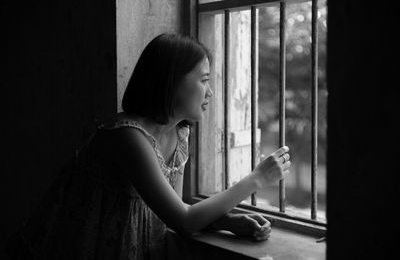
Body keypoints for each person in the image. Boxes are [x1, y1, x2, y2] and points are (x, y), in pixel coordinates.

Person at [5, 33, 291, 260]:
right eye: (204, 80)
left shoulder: (179, 136)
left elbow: (173, 210)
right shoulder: (128, 136)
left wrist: (225, 222)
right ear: (171, 82)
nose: (211, 92)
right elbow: (183, 220)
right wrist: (256, 179)